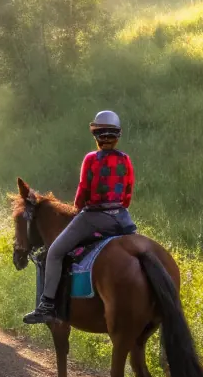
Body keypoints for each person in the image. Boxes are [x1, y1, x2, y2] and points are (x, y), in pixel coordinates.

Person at [22, 110, 136, 323]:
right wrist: (119, 208)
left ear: (96, 136)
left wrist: (77, 208)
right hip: (122, 219)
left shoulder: (91, 159)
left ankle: (46, 304)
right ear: (117, 135)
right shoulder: (126, 160)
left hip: (94, 217)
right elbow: (128, 192)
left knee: (55, 251)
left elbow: (83, 189)